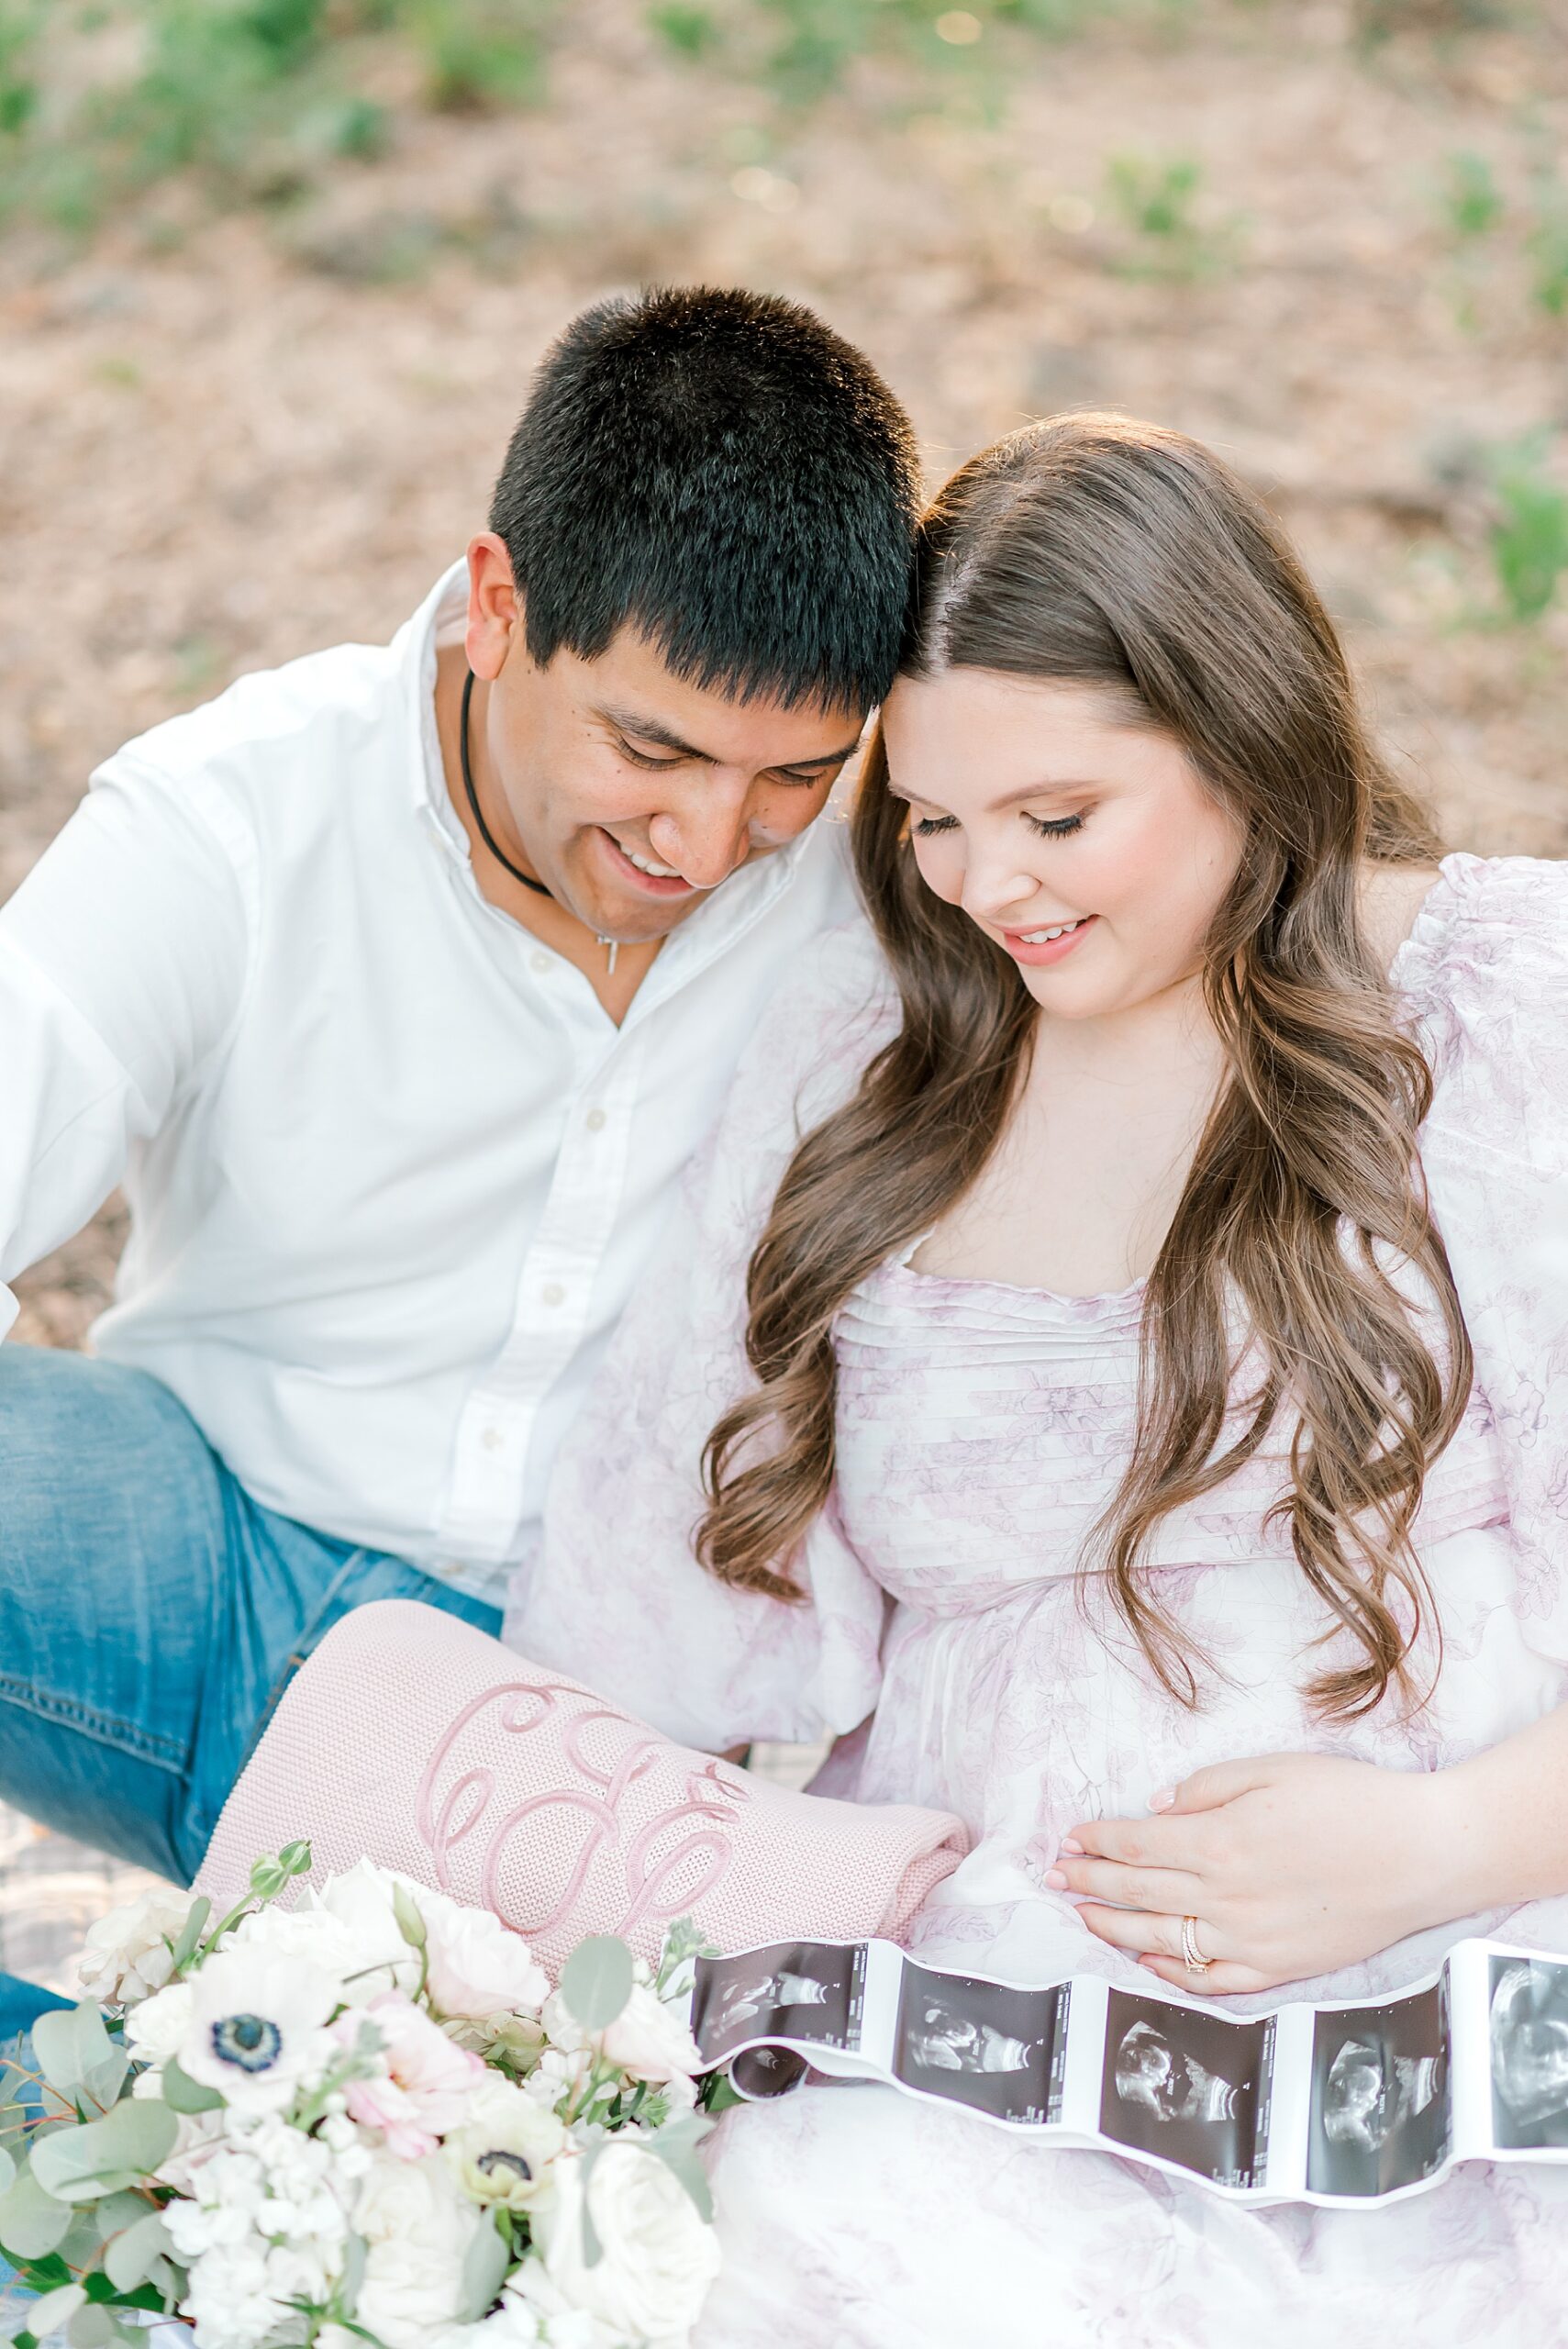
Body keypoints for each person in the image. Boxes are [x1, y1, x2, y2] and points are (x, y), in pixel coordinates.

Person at [508, 412, 1568, 2343]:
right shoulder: (874, 1055)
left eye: (1059, 817)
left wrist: (1443, 1847)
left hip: (1474, 1946)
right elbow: (648, 1581)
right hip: (980, 2020)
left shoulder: (1505, 1005)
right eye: (931, 819)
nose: (993, 882)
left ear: (1244, 730)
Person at [0, 282, 920, 1977]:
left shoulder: (881, 900)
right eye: (652, 746)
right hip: (199, 1577)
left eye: (793, 773)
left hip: (587, 1728)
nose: (710, 840)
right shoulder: (240, 817)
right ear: (497, 604)